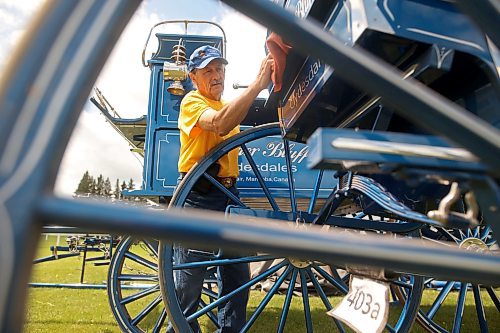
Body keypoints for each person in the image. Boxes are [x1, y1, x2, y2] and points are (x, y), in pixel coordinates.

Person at [171, 45, 273, 333]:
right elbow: (219, 123)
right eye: (208, 71)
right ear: (193, 77)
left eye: (219, 69)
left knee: (237, 276)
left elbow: (228, 115)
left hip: (229, 196)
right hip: (199, 197)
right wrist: (257, 84)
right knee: (189, 282)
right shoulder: (192, 102)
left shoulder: (225, 103)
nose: (216, 75)